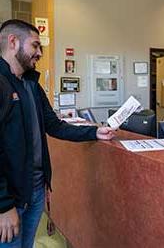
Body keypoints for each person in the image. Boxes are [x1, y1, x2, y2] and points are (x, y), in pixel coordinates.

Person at [0, 19, 114, 247]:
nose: (39, 52)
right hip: (10, 200)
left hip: (36, 191)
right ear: (13, 42)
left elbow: (54, 125)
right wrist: (3, 205)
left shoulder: (31, 84)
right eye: (35, 45)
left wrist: (94, 133)